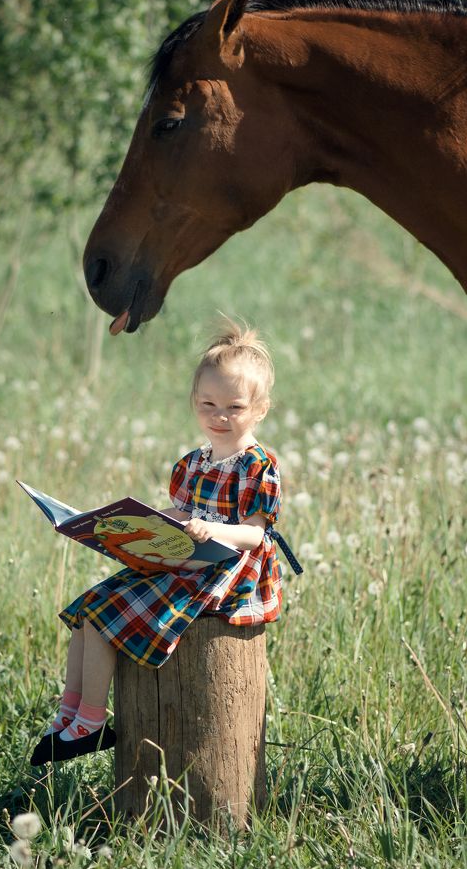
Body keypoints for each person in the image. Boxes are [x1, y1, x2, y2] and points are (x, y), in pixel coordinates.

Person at [30, 318, 302, 765]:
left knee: (103, 620)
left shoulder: (258, 465)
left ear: (260, 410)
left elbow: (256, 533)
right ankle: (70, 713)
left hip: (226, 573)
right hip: (186, 560)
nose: (218, 416)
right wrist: (130, 524)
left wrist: (213, 529)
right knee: (86, 611)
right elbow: (180, 513)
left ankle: (92, 723)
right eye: (207, 404)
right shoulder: (195, 462)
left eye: (233, 407)